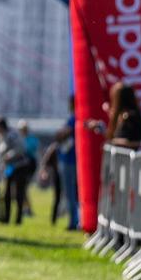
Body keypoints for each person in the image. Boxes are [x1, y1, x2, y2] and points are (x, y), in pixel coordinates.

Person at [0, 117, 32, 224]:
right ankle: (6, 218)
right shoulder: (0, 136)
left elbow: (20, 149)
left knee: (19, 193)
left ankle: (18, 219)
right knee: (6, 193)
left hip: (19, 166)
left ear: (0, 126)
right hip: (8, 168)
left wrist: (8, 156)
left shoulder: (13, 134)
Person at [56, 96, 80, 230]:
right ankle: (75, 219)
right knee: (73, 193)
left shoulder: (74, 118)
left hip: (70, 160)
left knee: (70, 193)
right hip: (71, 160)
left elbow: (61, 134)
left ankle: (73, 222)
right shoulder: (75, 117)